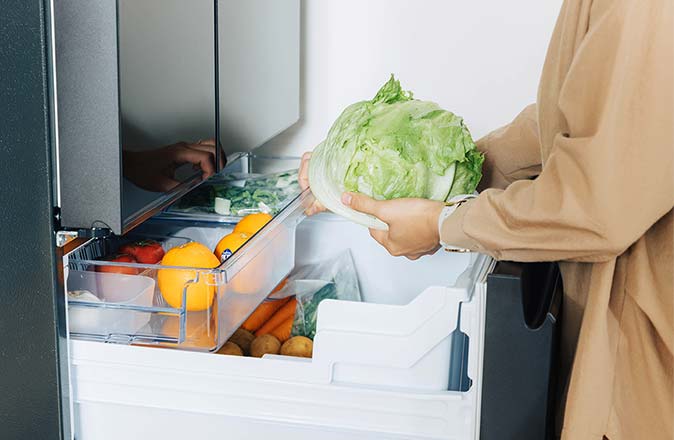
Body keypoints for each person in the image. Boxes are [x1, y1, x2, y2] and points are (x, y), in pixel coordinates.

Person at [299, 0, 673, 439]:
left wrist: (445, 224)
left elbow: (597, 205)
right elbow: (573, 120)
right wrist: (426, 174)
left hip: (640, 362)